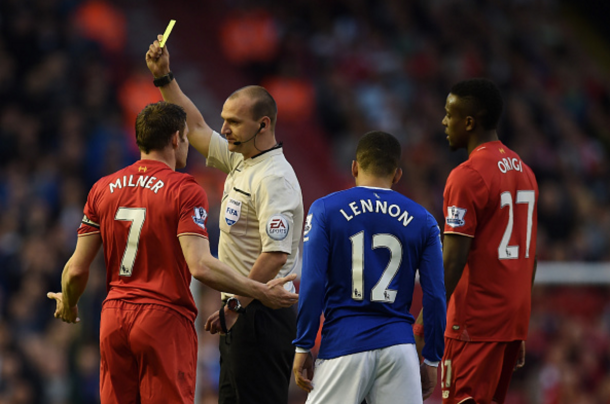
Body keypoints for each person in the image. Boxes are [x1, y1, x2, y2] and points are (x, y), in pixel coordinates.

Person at [47, 101, 299, 404]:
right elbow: (201, 266)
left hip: (113, 318)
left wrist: (70, 302)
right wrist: (258, 291)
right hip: (163, 318)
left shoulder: (103, 188)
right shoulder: (184, 189)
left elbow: (75, 269)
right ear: (176, 139)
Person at [145, 35, 304, 404]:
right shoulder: (241, 159)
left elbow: (276, 254)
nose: (225, 129)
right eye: (225, 121)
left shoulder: (274, 178)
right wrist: (164, 77)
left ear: (263, 125)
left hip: (263, 315)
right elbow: (196, 127)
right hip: (244, 310)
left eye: (233, 122)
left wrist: (235, 305)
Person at [292, 131, 447, 404]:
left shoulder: (325, 209)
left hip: (344, 344)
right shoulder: (424, 220)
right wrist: (433, 358)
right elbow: (435, 295)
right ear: (398, 175)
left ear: (354, 167)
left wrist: (304, 343)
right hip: (399, 348)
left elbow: (313, 281)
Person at [415, 78, 538, 404]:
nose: (443, 122)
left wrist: (424, 323)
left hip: (474, 322)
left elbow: (453, 260)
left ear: (468, 122)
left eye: (448, 113)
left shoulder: (467, 175)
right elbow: (530, 255)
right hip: (510, 321)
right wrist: (518, 326)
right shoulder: (525, 171)